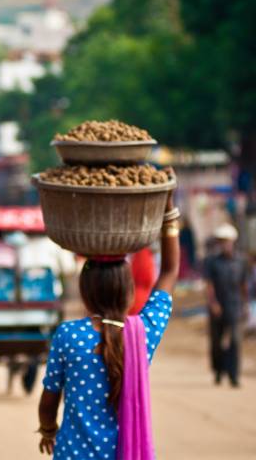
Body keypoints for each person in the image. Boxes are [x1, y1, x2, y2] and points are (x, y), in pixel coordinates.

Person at [37, 193, 179, 459]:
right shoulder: (143, 333)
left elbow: (49, 401)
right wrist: (168, 210)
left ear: (85, 292)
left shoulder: (68, 335)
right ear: (128, 291)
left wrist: (47, 430)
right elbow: (170, 270)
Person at [203, 223, 248, 387]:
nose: (225, 244)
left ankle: (234, 375)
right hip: (217, 307)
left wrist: (245, 306)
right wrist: (213, 303)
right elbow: (209, 285)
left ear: (233, 242)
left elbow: (243, 285)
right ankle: (218, 371)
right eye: (222, 241)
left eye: (227, 241)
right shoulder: (211, 261)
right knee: (217, 342)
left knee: (235, 341)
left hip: (234, 305)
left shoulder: (241, 261)